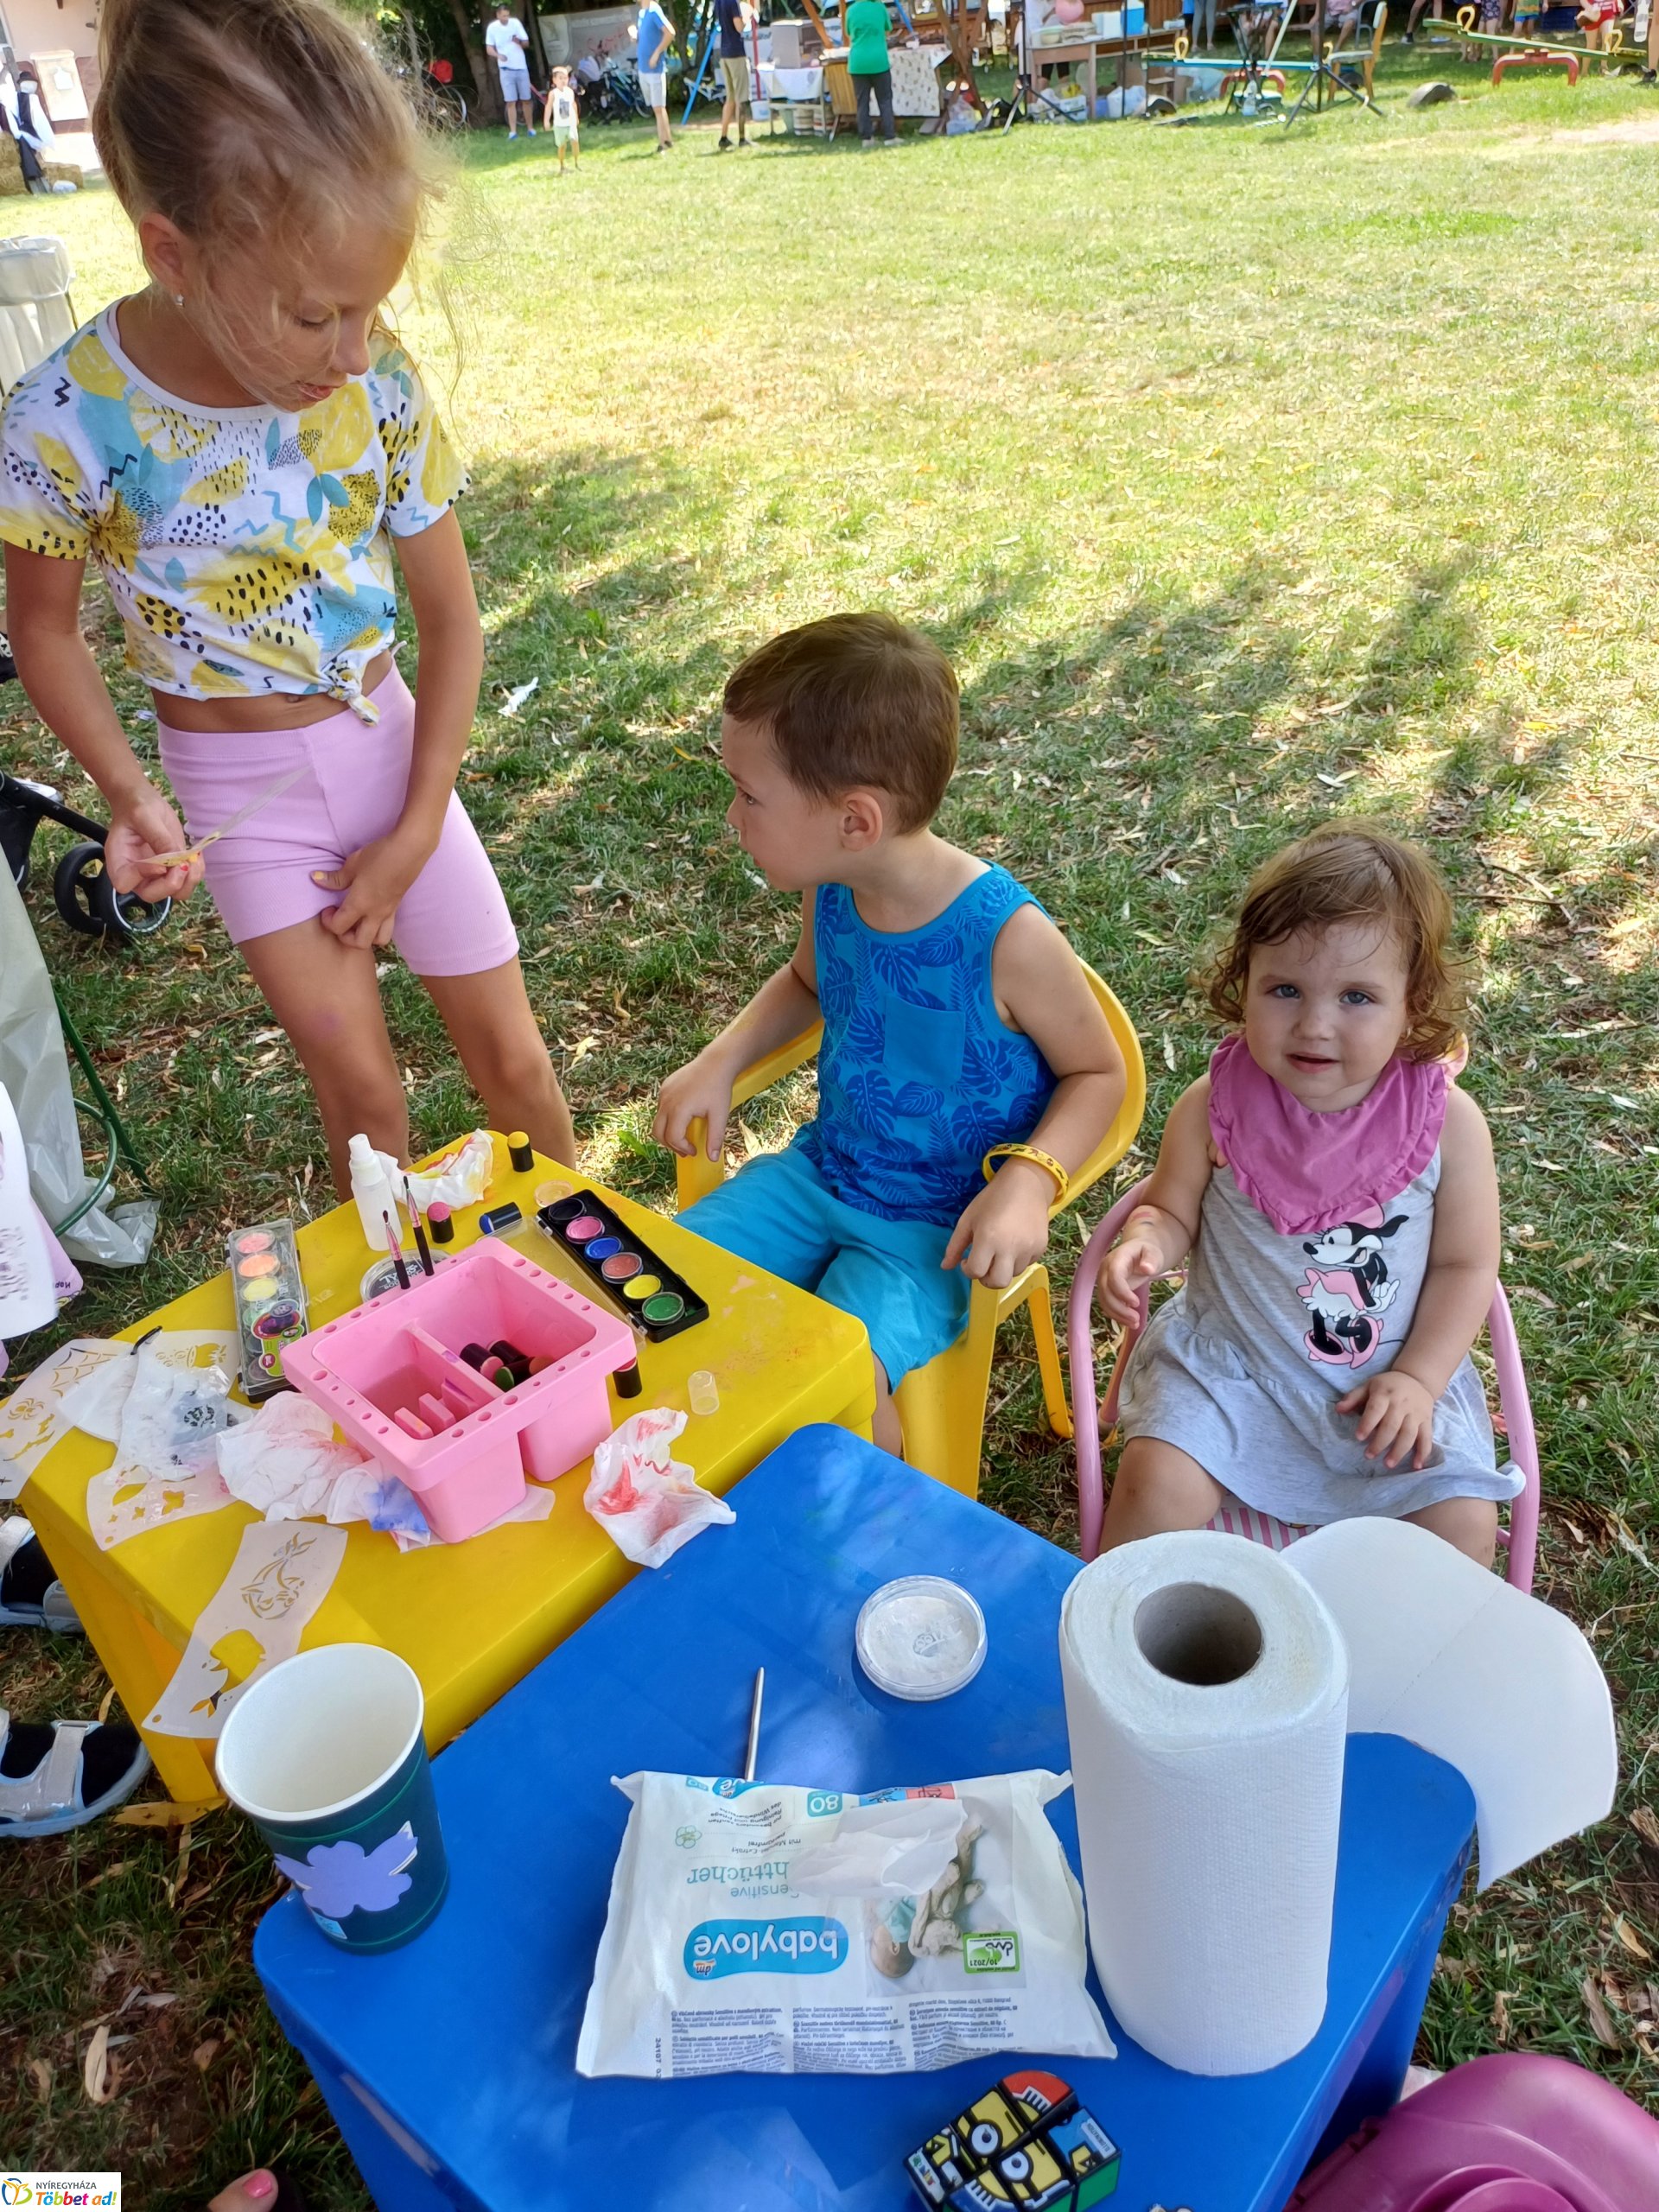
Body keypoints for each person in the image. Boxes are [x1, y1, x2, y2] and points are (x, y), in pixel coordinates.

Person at [0, 0, 576, 1200]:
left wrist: (418, 826)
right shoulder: (66, 416)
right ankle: (409, 1326)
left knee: (514, 1065)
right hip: (240, 803)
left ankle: (600, 1294)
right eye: (317, 315)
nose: (354, 351)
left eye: (371, 309)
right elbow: (42, 630)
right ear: (175, 255)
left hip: (397, 760)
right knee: (364, 1105)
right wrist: (127, 793)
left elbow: (453, 620)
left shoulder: (375, 385)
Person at [654, 613, 1128, 1459]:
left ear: (856, 820)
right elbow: (808, 982)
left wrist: (1030, 1181)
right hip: (818, 1176)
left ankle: (866, 1543)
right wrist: (720, 1059)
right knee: (658, 1286)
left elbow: (1099, 1072)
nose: (733, 816)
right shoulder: (835, 886)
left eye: (750, 794)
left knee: (835, 1371)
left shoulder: (1009, 940)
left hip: (932, 1234)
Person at [1096, 824, 1522, 1567]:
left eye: (1357, 996)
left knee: (1461, 1527)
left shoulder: (1449, 1123)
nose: (1315, 1024)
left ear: (1412, 1005)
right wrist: (1145, 1244)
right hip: (1233, 1380)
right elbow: (1171, 1210)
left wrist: (1419, 1379)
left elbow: (1465, 1268)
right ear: (1245, 981)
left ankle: (1401, 1676)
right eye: (1284, 989)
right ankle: (1115, 1644)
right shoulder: (1211, 1107)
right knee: (1154, 1486)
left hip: (1384, 1391)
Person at [845, 0, 898, 148]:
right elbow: (888, 29)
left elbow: (849, 32)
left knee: (862, 102)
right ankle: (889, 137)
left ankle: (866, 139)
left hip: (858, 63)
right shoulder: (879, 7)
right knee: (885, 100)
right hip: (879, 60)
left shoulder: (851, 10)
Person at [0, 63, 56, 192]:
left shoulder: (26, 99)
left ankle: (35, 176)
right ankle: (34, 175)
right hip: (18, 132)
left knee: (26, 148)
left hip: (21, 132)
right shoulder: (16, 98)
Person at [486, 4, 537, 137]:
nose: (506, 18)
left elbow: (526, 43)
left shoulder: (515, 23)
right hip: (505, 69)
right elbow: (489, 48)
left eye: (507, 15)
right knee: (510, 101)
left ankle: (530, 129)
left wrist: (519, 42)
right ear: (498, 15)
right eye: (503, 16)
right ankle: (513, 132)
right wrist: (498, 56)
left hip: (521, 67)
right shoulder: (492, 28)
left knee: (526, 99)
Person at [637, 0, 676, 149]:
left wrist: (656, 53)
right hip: (643, 68)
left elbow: (670, 32)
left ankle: (662, 144)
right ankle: (668, 140)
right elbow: (646, 38)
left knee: (658, 107)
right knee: (657, 108)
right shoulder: (642, 13)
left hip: (655, 69)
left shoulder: (654, 11)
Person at [714, 0, 753, 149]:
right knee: (741, 98)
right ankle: (742, 138)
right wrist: (748, 15)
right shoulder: (733, 2)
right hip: (736, 54)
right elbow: (739, 27)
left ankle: (723, 137)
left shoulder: (719, 2)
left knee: (730, 98)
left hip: (725, 54)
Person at [543, 64, 581, 171]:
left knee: (575, 141)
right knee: (562, 146)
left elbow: (573, 104)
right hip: (559, 125)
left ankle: (576, 162)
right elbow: (549, 107)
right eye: (560, 78)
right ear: (554, 80)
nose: (563, 81)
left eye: (565, 78)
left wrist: (576, 117)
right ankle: (562, 165)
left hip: (570, 123)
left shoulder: (569, 92)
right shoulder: (553, 94)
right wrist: (546, 121)